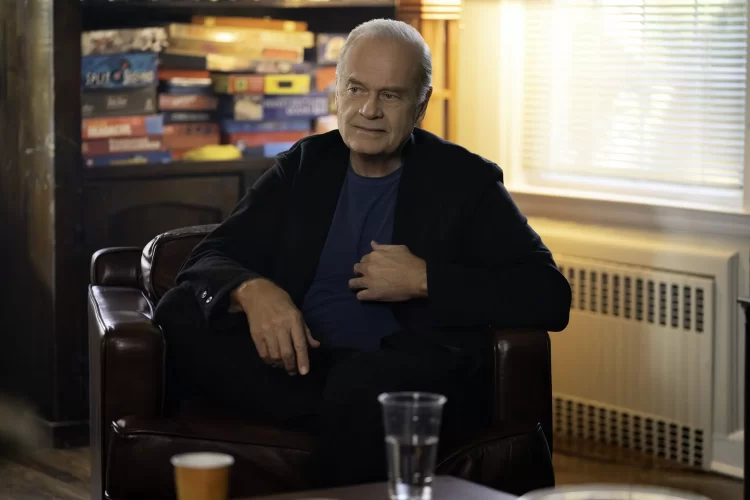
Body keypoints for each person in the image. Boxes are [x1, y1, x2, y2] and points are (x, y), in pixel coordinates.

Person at [154, 18, 572, 488]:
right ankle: (338, 423)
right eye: (356, 89)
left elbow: (549, 294)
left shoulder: (465, 182)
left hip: (400, 371)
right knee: (180, 310)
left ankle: (337, 430)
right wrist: (254, 292)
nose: (368, 110)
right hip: (304, 366)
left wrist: (425, 279)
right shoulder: (304, 166)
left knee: (363, 387)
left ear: (420, 105)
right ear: (337, 91)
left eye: (390, 95)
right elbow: (210, 256)